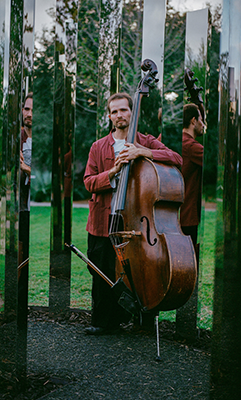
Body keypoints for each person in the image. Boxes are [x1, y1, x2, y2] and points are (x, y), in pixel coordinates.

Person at [83, 92, 183, 335]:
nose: (119, 115)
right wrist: (112, 173)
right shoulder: (99, 147)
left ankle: (131, 318)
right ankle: (102, 322)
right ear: (109, 116)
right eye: (114, 111)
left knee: (134, 271)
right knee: (102, 272)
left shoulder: (145, 141)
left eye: (123, 110)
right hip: (103, 221)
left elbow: (176, 158)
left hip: (135, 222)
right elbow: (88, 182)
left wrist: (143, 152)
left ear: (132, 112)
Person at [180, 103, 205, 246]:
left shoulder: (168, 139)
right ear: (193, 121)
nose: (203, 124)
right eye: (201, 119)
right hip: (187, 216)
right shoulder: (192, 146)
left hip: (169, 215)